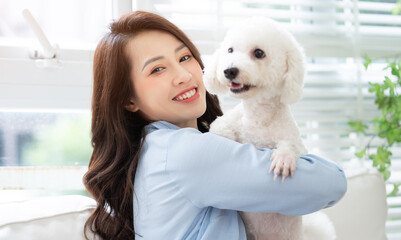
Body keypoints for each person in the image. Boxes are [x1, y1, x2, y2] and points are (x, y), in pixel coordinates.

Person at [83, 11, 347, 240]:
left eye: (185, 58)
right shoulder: (184, 152)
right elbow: (330, 184)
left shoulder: (154, 148)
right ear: (128, 99)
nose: (184, 76)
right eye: (157, 70)